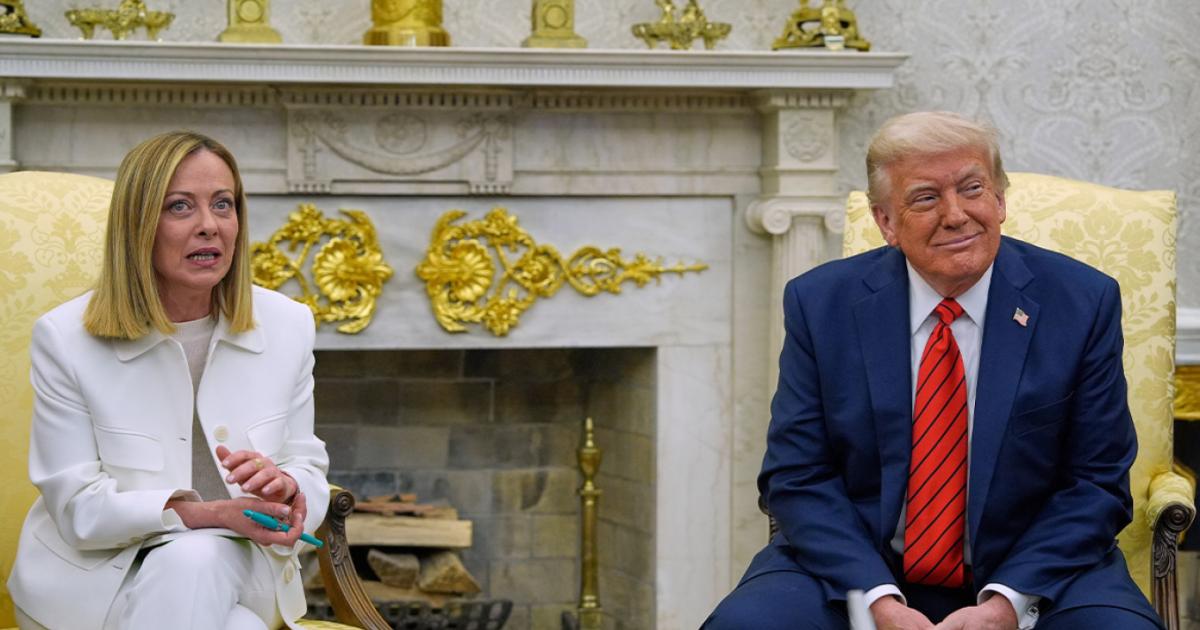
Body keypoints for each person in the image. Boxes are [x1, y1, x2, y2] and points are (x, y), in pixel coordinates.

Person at [705, 111, 1163, 629]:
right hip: (858, 565)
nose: (956, 215)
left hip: (1037, 569)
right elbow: (796, 474)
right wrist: (878, 601)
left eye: (972, 188)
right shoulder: (821, 303)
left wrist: (1004, 603)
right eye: (925, 198)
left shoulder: (1081, 302)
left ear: (1000, 200)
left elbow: (1097, 483)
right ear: (885, 222)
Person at [7, 131, 330, 630]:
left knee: (195, 558)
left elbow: (307, 465)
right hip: (95, 584)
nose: (209, 226)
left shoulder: (288, 324)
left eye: (222, 204)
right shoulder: (66, 338)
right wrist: (210, 514)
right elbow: (77, 509)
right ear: (138, 226)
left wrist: (288, 488)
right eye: (180, 207)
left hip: (241, 568)